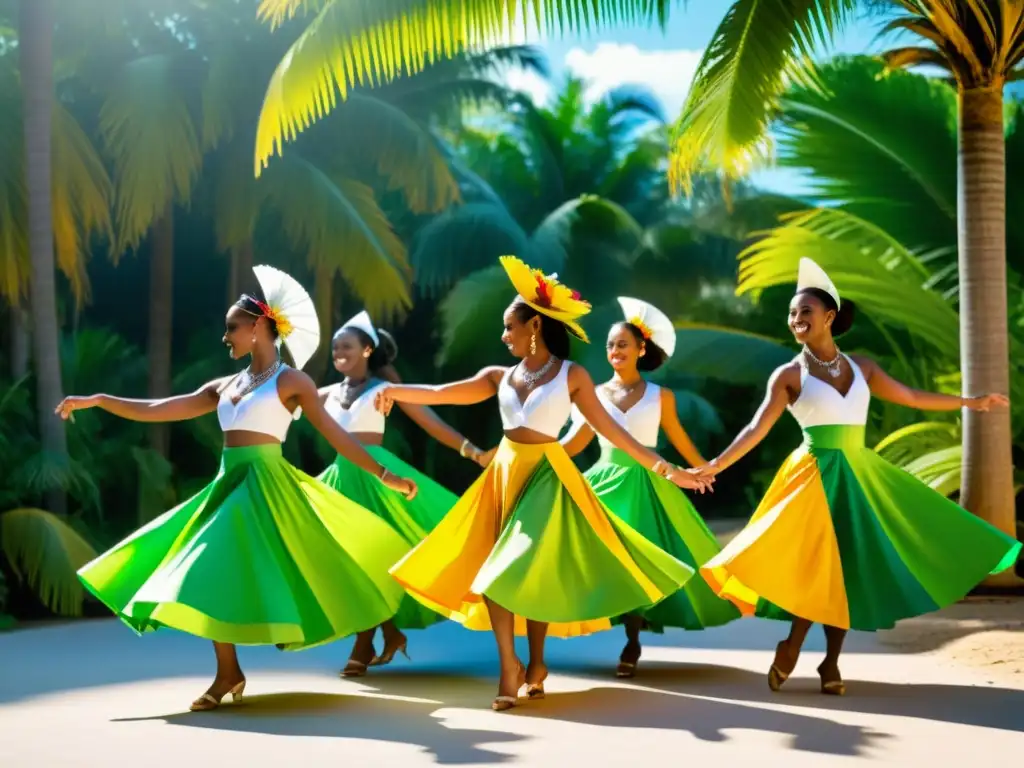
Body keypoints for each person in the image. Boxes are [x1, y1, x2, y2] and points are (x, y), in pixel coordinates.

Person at [55, 265, 419, 712]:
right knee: (211, 568)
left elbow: (336, 436)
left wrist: (386, 476)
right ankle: (228, 670)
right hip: (228, 484)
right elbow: (160, 408)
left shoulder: (294, 382)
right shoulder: (225, 385)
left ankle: (239, 668)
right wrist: (99, 401)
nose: (225, 336)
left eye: (233, 327)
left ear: (261, 327)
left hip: (268, 486)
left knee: (277, 566)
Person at [373, 255, 714, 712]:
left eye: (509, 327)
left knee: (519, 572)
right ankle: (517, 666)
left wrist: (671, 471)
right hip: (505, 476)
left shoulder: (573, 376)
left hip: (547, 479)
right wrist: (394, 391)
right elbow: (441, 394)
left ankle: (529, 664)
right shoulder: (499, 376)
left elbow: (615, 434)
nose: (503, 335)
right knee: (499, 575)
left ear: (534, 325)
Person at [695, 258, 1021, 695]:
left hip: (860, 476)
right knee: (817, 570)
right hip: (812, 478)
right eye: (792, 315)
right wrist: (716, 464)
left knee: (847, 570)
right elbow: (756, 428)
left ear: (829, 316)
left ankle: (831, 662)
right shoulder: (789, 375)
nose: (796, 320)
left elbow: (909, 396)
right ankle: (792, 644)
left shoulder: (863, 366)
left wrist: (970, 403)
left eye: (804, 312)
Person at [562, 297, 740, 678]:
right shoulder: (589, 395)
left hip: (652, 483)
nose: (615, 351)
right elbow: (574, 444)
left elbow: (678, 439)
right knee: (603, 558)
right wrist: (534, 456)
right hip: (604, 485)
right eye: (610, 344)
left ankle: (632, 639)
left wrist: (705, 470)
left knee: (646, 558)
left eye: (623, 344)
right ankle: (618, 625)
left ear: (642, 349)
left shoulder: (662, 396)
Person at [317, 310, 495, 678]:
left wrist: (473, 452)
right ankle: (390, 632)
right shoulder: (325, 394)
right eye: (335, 347)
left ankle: (363, 644)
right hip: (340, 480)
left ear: (367, 350)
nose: (339, 352)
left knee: (372, 557)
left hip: (378, 481)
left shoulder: (385, 389)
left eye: (347, 346)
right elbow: (280, 401)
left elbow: (430, 420)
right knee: (349, 560)